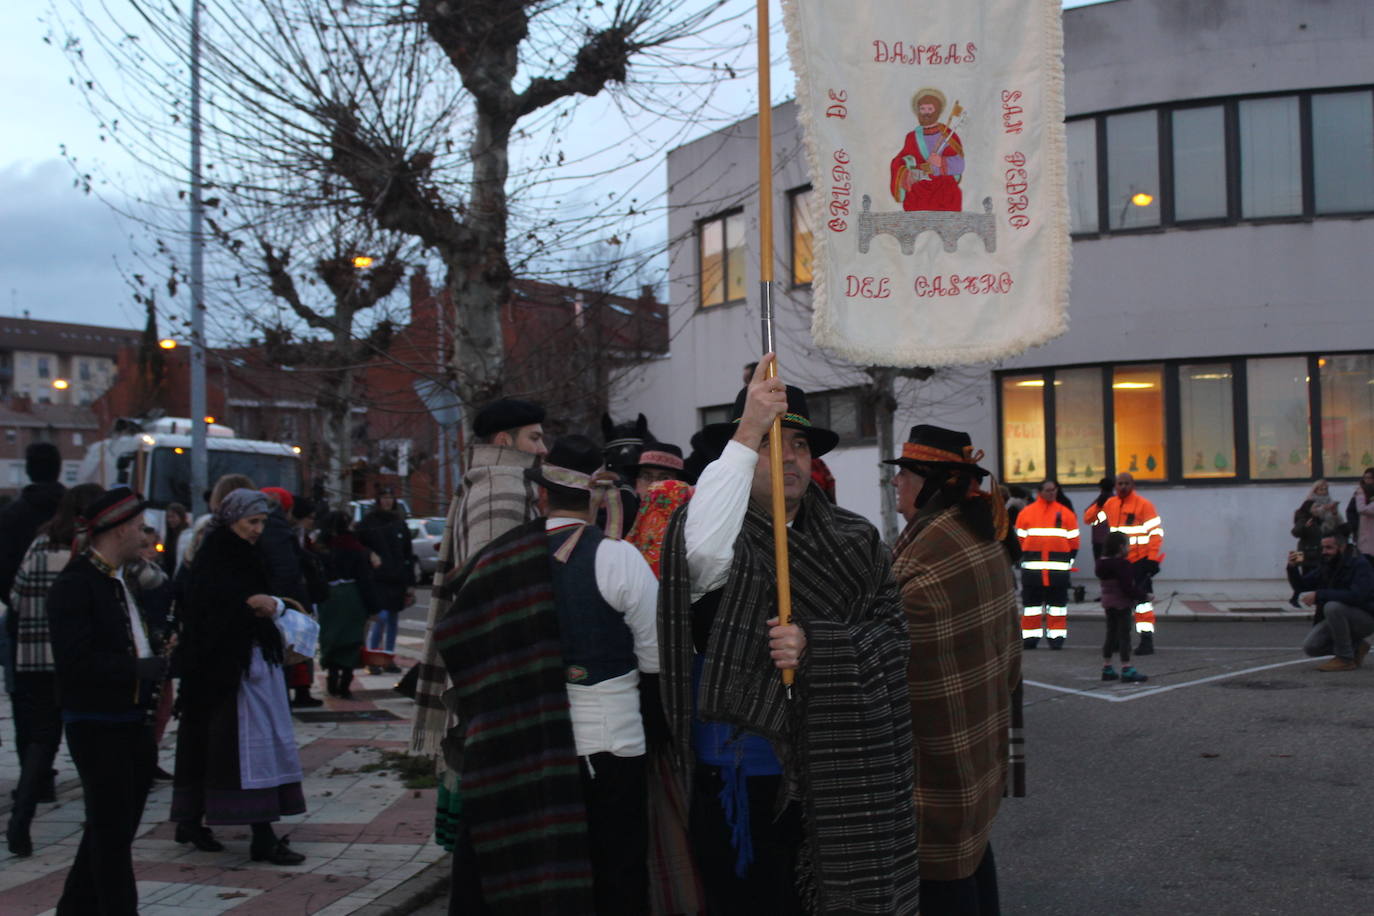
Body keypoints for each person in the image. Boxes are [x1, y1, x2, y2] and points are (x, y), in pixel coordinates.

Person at [659, 355, 919, 914]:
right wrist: (750, 425)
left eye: (799, 446)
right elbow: (702, 554)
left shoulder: (855, 540)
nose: (790, 459)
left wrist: (819, 646)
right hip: (743, 774)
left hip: (840, 769)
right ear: (741, 455)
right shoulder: (712, 535)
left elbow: (894, 636)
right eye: (771, 447)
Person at [432, 434, 661, 913]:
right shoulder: (619, 558)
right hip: (606, 746)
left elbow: (461, 642)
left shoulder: (498, 560)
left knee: (533, 874)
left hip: (518, 747)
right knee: (614, 874)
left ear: (540, 494)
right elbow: (655, 659)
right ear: (596, 495)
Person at [408, 396, 549, 911]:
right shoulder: (504, 487)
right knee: (493, 820)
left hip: (483, 679)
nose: (543, 447)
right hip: (498, 680)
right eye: (534, 437)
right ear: (504, 441)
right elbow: (498, 600)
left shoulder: (481, 482)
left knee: (485, 815)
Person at [886, 424, 1020, 915]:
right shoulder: (972, 534)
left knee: (944, 882)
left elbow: (889, 644)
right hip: (975, 756)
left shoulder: (938, 551)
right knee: (972, 858)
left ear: (932, 482)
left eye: (905, 475)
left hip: (939, 768)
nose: (897, 484)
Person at [45, 486, 168, 914]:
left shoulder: (120, 579)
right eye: (138, 527)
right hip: (96, 724)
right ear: (116, 530)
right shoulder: (77, 584)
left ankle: (73, 909)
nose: (144, 534)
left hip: (130, 721)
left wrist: (156, 653)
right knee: (112, 838)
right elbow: (76, 662)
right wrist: (137, 669)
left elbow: (131, 640)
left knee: (107, 832)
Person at [171, 488, 307, 864]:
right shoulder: (219, 554)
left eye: (262, 522)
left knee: (213, 747)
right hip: (228, 671)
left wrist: (267, 605)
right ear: (232, 519)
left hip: (235, 666)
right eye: (252, 522)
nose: (258, 529)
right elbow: (208, 608)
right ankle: (260, 835)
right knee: (241, 750)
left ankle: (191, 820)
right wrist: (252, 606)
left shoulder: (235, 551)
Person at [5, 482, 103, 857]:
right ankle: (97, 820)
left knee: (41, 741)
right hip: (74, 659)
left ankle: (21, 819)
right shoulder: (90, 553)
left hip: (33, 659)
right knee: (88, 740)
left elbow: (15, 596)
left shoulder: (40, 544)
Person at [1, 442, 67, 777]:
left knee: (26, 703)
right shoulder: (71, 512)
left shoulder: (13, 514)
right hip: (73, 622)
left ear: (29, 469)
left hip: (23, 623)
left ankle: (35, 774)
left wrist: (16, 601)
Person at [1085, 472, 1164, 655]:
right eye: (1120, 484)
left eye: (1126, 483)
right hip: (1117, 562)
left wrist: (1152, 559)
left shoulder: (1144, 505)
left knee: (1142, 602)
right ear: (1115, 486)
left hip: (1138, 560)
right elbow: (1089, 519)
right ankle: (1119, 640)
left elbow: (1155, 534)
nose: (1122, 487)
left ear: (1133, 485)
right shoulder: (1110, 504)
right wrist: (1099, 503)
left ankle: (1146, 640)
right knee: (1119, 602)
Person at [258, 487, 320, 707]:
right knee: (282, 662)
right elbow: (286, 572)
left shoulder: (277, 529)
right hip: (277, 608)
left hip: (276, 605)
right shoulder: (278, 531)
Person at [316, 510, 380, 699]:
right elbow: (364, 579)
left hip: (328, 597)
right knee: (351, 641)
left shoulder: (320, 548)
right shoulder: (355, 548)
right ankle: (345, 683)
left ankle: (332, 678)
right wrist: (373, 607)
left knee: (331, 638)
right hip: (352, 597)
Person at [1290, 529, 1374, 671]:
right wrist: (1292, 568)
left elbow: (1357, 596)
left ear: (1342, 547)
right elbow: (1302, 586)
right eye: (1323, 547)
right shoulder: (1328, 564)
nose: (1324, 552)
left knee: (1332, 607)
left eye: (1329, 548)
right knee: (1312, 647)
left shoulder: (1360, 564)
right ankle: (1357, 647)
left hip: (1366, 619)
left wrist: (1320, 595)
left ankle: (1345, 658)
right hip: (1342, 616)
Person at [1016, 479, 1079, 649]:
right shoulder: (1026, 513)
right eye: (1048, 490)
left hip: (1056, 571)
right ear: (1040, 492)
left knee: (1057, 606)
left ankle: (1056, 637)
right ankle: (1030, 637)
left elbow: (1074, 542)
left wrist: (1068, 561)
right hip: (1033, 570)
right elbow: (1019, 539)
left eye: (1054, 490)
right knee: (1031, 607)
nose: (1052, 493)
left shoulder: (1065, 513)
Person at [358, 488, 415, 674]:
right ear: (378, 500)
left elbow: (408, 553)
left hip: (397, 577)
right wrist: (370, 555)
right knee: (380, 617)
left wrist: (410, 583)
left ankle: (388, 658)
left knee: (392, 619)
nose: (387, 501)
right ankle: (373, 658)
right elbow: (358, 543)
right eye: (384, 497)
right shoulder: (370, 522)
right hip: (377, 577)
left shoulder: (399, 523)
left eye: (390, 497)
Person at [890, 87, 965, 212]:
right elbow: (899, 162)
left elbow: (960, 165)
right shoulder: (912, 137)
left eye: (930, 109)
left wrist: (941, 162)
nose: (926, 112)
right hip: (918, 192)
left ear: (937, 110)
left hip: (944, 191)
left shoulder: (948, 135)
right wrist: (908, 175)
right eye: (922, 109)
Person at [1096, 531, 1148, 683]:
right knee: (1124, 635)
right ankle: (1127, 668)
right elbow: (1127, 588)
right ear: (1120, 547)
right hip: (1122, 604)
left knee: (1110, 634)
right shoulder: (1122, 565)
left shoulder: (1101, 563)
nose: (1129, 549)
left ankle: (1107, 667)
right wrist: (1144, 596)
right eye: (1127, 545)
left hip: (1108, 603)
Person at [1291, 480, 1342, 607]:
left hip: (1318, 550)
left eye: (1325, 489)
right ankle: (1296, 597)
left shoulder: (1327, 510)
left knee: (1316, 575)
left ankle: (1305, 597)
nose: (1323, 491)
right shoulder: (1304, 511)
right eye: (1320, 489)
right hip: (1303, 550)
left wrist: (1333, 512)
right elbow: (1295, 532)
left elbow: (1338, 525)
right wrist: (1305, 526)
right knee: (1303, 574)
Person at [1084, 477, 1114, 561]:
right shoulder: (1117, 501)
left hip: (1099, 540)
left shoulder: (1098, 502)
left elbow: (1087, 518)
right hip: (1115, 539)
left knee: (1101, 568)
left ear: (1100, 488)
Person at [161, 502, 190, 575]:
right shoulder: (169, 535)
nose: (170, 520)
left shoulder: (187, 535)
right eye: (168, 517)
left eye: (173, 516)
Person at [1353, 468, 1374, 563]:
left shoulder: (1361, 492)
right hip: (1366, 539)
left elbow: (1362, 509)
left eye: (1370, 478)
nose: (1367, 480)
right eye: (1365, 478)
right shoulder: (1361, 492)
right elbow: (1358, 510)